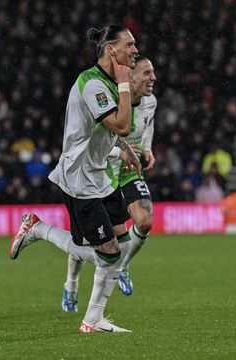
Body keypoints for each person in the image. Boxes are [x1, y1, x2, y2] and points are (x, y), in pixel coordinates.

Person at [8, 25, 141, 333]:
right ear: (111, 49)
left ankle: (95, 319)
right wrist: (123, 85)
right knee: (106, 252)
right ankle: (38, 229)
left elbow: (109, 132)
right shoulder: (93, 83)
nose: (135, 50)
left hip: (100, 175)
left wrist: (125, 151)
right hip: (79, 177)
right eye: (129, 45)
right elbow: (121, 124)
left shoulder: (107, 81)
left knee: (121, 242)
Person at [62, 57, 157, 310]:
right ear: (132, 78)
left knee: (145, 221)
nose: (153, 78)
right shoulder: (109, 97)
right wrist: (121, 150)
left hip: (127, 170)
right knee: (89, 240)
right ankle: (71, 283)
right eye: (147, 73)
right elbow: (97, 139)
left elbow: (147, 126)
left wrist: (147, 149)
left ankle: (123, 267)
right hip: (101, 169)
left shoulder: (150, 102)